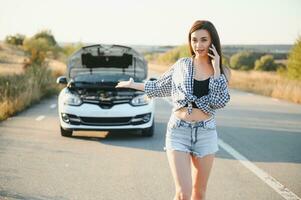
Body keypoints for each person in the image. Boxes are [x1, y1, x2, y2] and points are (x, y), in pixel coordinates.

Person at [116, 20, 231, 200]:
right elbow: (160, 87)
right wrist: (133, 85)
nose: (198, 45)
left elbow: (218, 102)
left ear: (212, 41)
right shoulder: (182, 65)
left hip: (206, 133)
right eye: (194, 40)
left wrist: (216, 69)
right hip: (179, 131)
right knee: (183, 194)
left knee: (198, 193)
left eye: (203, 40)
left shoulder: (223, 70)